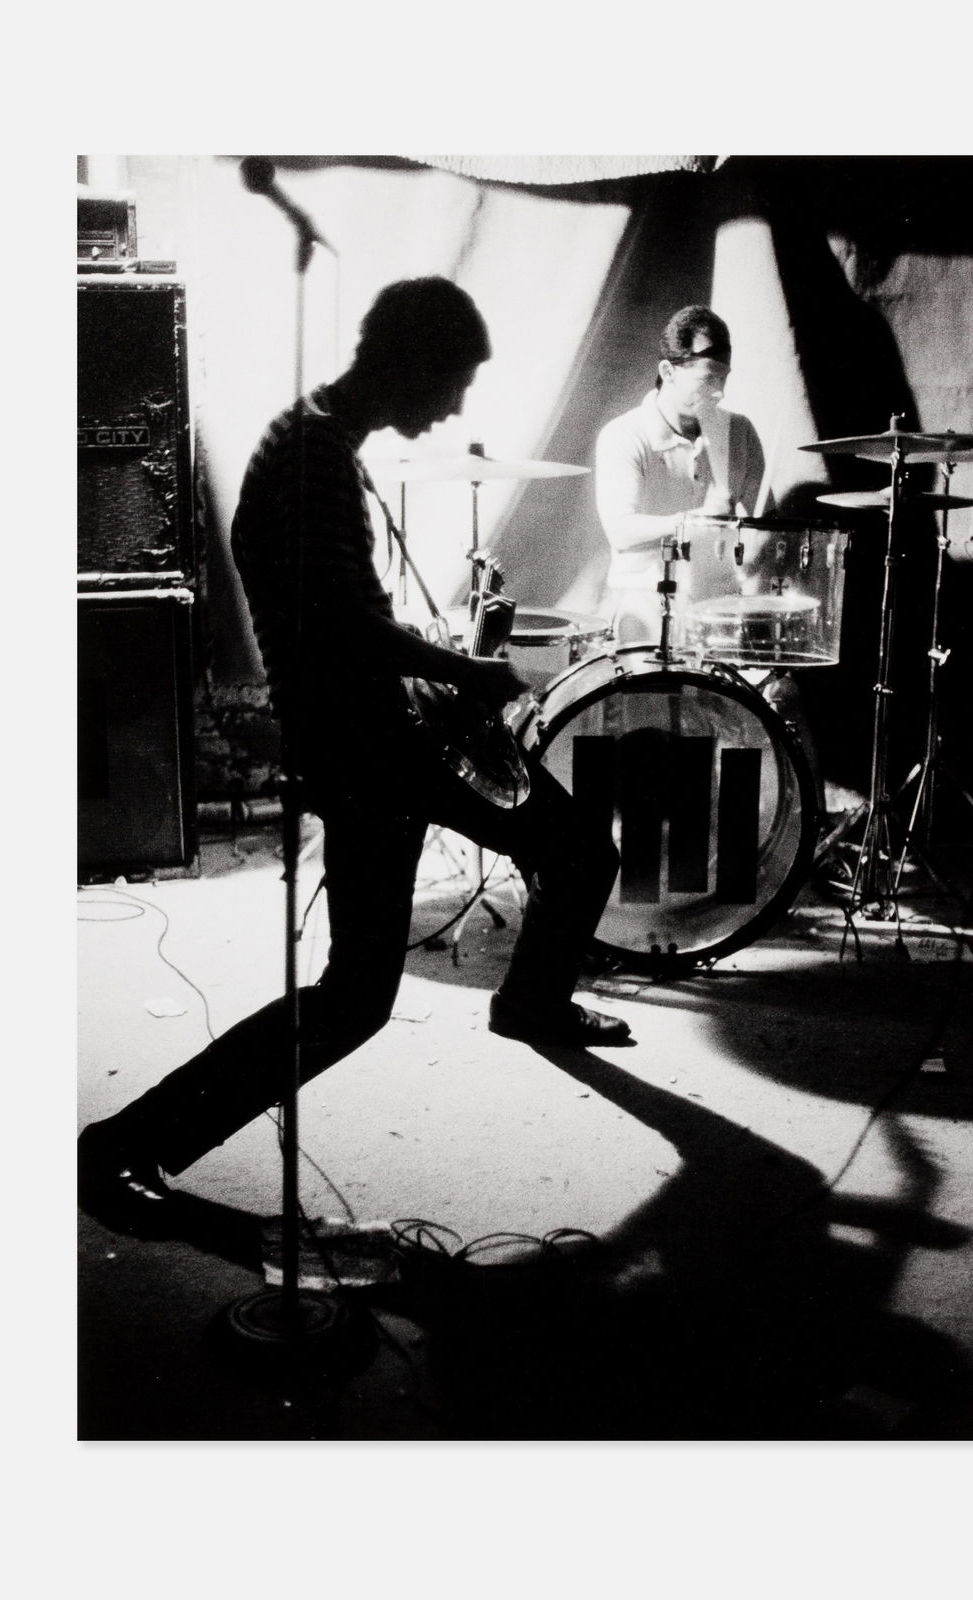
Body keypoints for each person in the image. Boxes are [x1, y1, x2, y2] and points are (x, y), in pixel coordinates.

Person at [80, 277, 629, 1237]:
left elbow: (340, 608)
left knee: (570, 855)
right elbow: (339, 628)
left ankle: (533, 1003)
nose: (454, 406)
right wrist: (464, 670)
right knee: (357, 997)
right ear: (408, 361)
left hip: (376, 738)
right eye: (453, 380)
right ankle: (122, 1147)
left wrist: (428, 667)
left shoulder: (321, 445)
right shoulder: (311, 460)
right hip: (367, 750)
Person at [593, 306, 768, 644]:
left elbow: (767, 523)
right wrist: (696, 520)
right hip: (644, 604)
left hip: (719, 611)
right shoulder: (623, 435)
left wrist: (759, 557)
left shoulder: (739, 432)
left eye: (723, 378)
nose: (719, 392)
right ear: (668, 371)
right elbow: (621, 531)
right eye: (707, 379)